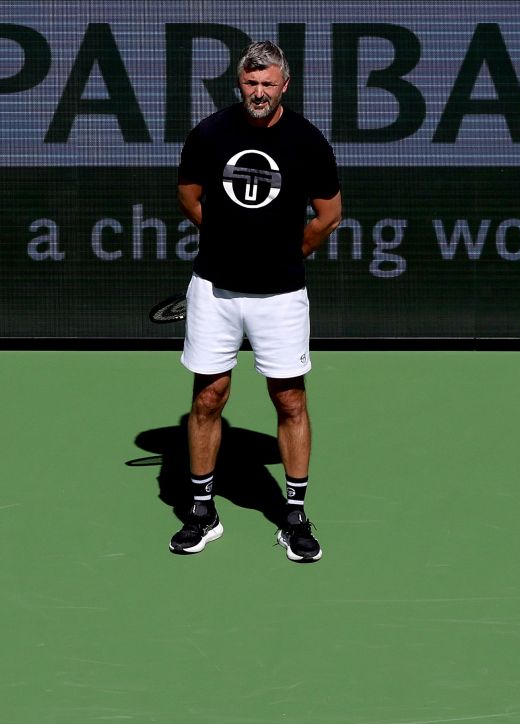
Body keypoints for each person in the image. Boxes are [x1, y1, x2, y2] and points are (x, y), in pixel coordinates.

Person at [171, 41, 343, 564]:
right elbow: (189, 196)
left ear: (284, 86)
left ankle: (293, 516)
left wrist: (294, 250)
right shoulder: (210, 134)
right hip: (215, 291)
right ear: (239, 84)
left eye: (268, 83)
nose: (259, 92)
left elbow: (329, 214)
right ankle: (202, 512)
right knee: (208, 398)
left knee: (290, 401)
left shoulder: (307, 141)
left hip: (282, 295)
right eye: (251, 83)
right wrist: (225, 239)